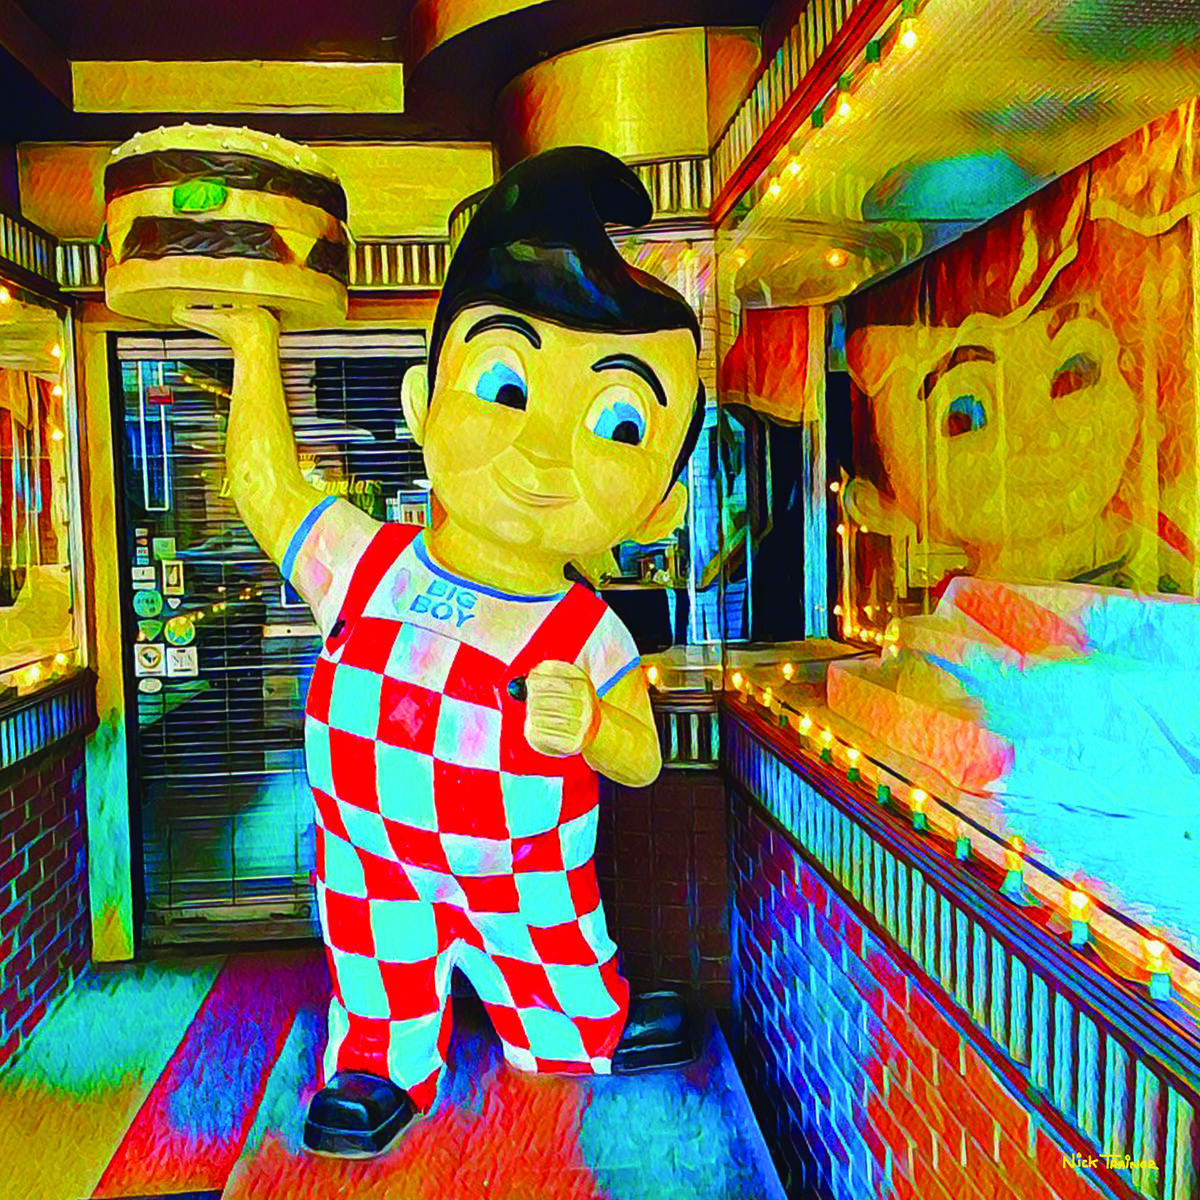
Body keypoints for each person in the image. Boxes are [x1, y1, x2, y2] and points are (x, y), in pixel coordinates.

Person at [177, 146, 706, 1157]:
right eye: (505, 384)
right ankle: (380, 1064)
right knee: (380, 975)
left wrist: (593, 722)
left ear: (661, 505)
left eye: (617, 422)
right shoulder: (364, 563)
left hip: (527, 875)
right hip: (375, 863)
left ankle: (584, 1027)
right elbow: (263, 486)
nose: (544, 448)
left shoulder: (591, 630)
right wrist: (253, 342)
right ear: (422, 406)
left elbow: (642, 758)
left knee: (558, 975)